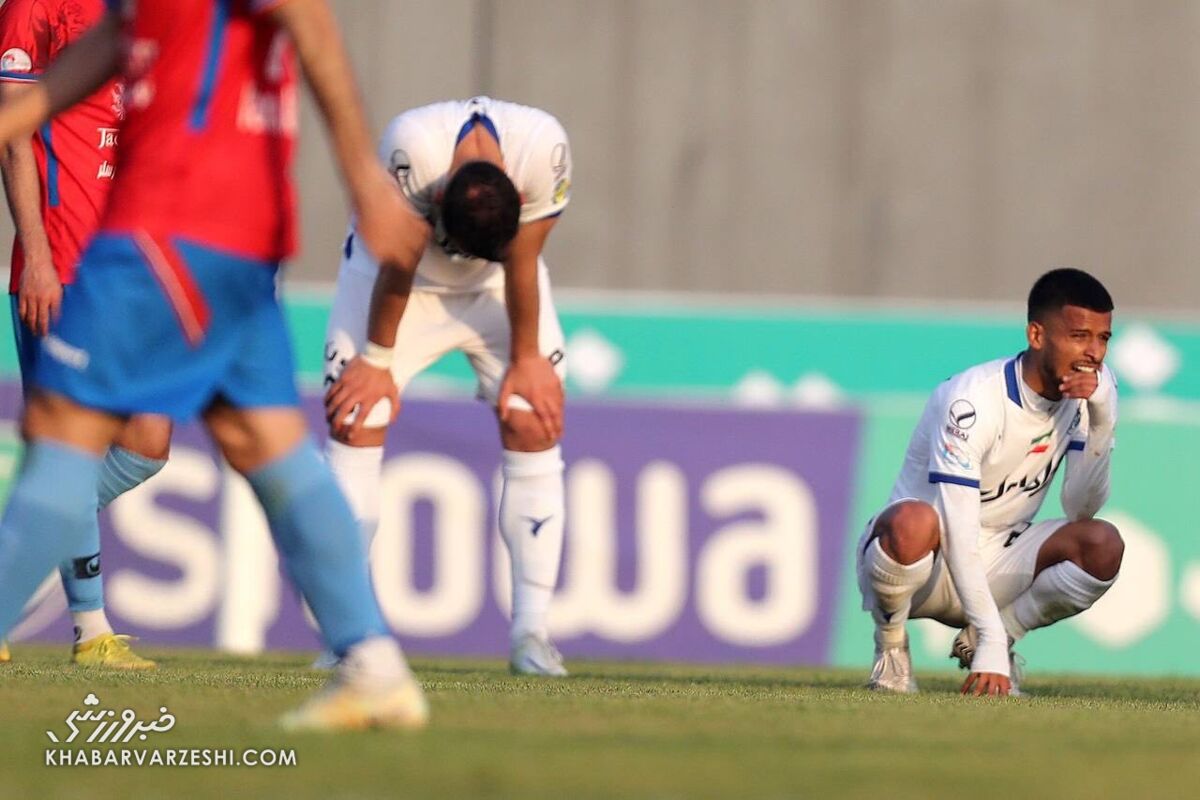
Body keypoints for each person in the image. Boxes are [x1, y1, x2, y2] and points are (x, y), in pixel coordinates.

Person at [0, 0, 432, 730]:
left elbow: (305, 16)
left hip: (167, 219)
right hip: (233, 236)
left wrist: (365, 180)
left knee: (64, 428)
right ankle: (375, 666)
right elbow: (116, 40)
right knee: (265, 443)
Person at [323, 97, 571, 676]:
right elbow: (399, 263)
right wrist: (378, 361)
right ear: (437, 202)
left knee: (530, 415)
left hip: (500, 287)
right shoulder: (410, 148)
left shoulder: (544, 147)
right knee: (357, 418)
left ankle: (532, 635)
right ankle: (349, 636)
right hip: (393, 280)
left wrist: (529, 357)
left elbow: (524, 260)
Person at [858, 268, 1123, 696]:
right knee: (912, 521)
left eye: (1103, 338)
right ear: (1037, 335)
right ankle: (890, 647)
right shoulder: (973, 399)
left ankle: (998, 632)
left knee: (1102, 543)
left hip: (1002, 560)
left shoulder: (1096, 390)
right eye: (1078, 336)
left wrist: (1102, 419)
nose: (1093, 352)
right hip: (928, 558)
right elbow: (958, 530)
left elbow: (1080, 509)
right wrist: (993, 646)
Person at [0, 0, 169, 670]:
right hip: (61, 262)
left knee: (149, 440)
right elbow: (13, 136)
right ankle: (93, 633)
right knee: (74, 445)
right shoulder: (34, 7)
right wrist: (35, 256)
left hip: (126, 266)